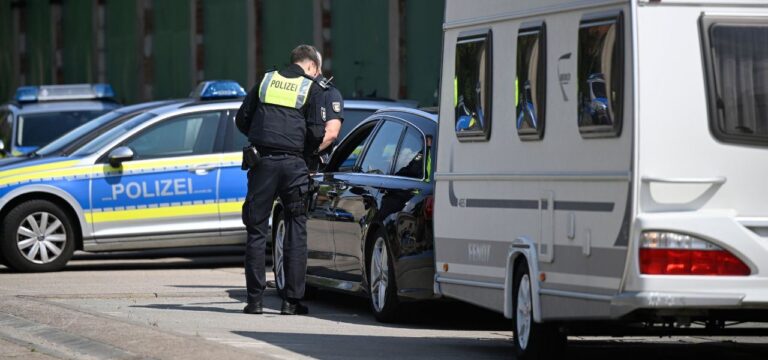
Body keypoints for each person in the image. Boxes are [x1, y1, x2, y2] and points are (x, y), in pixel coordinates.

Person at [235, 45, 340, 315]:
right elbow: (318, 133)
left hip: (262, 163)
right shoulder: (312, 89)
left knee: (256, 230)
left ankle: (255, 301)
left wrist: (262, 139)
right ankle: (291, 302)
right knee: (296, 229)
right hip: (294, 166)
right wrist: (299, 150)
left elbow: (242, 120)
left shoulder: (266, 81)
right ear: (312, 67)